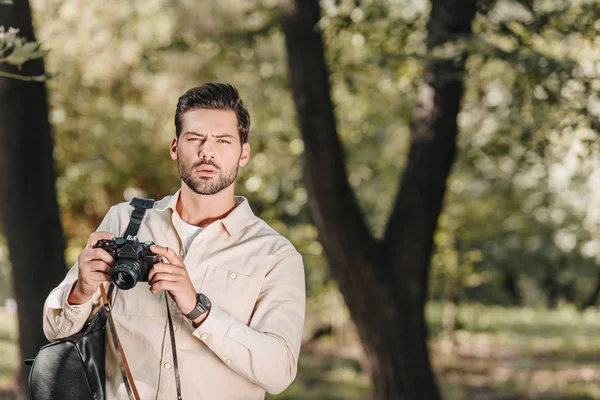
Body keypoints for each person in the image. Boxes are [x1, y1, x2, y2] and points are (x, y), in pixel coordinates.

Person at [43, 83, 306, 399]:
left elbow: (279, 373)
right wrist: (81, 290)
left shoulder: (274, 254)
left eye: (223, 141)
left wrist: (199, 308)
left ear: (243, 153)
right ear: (174, 147)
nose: (207, 151)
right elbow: (55, 331)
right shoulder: (124, 222)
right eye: (195, 138)